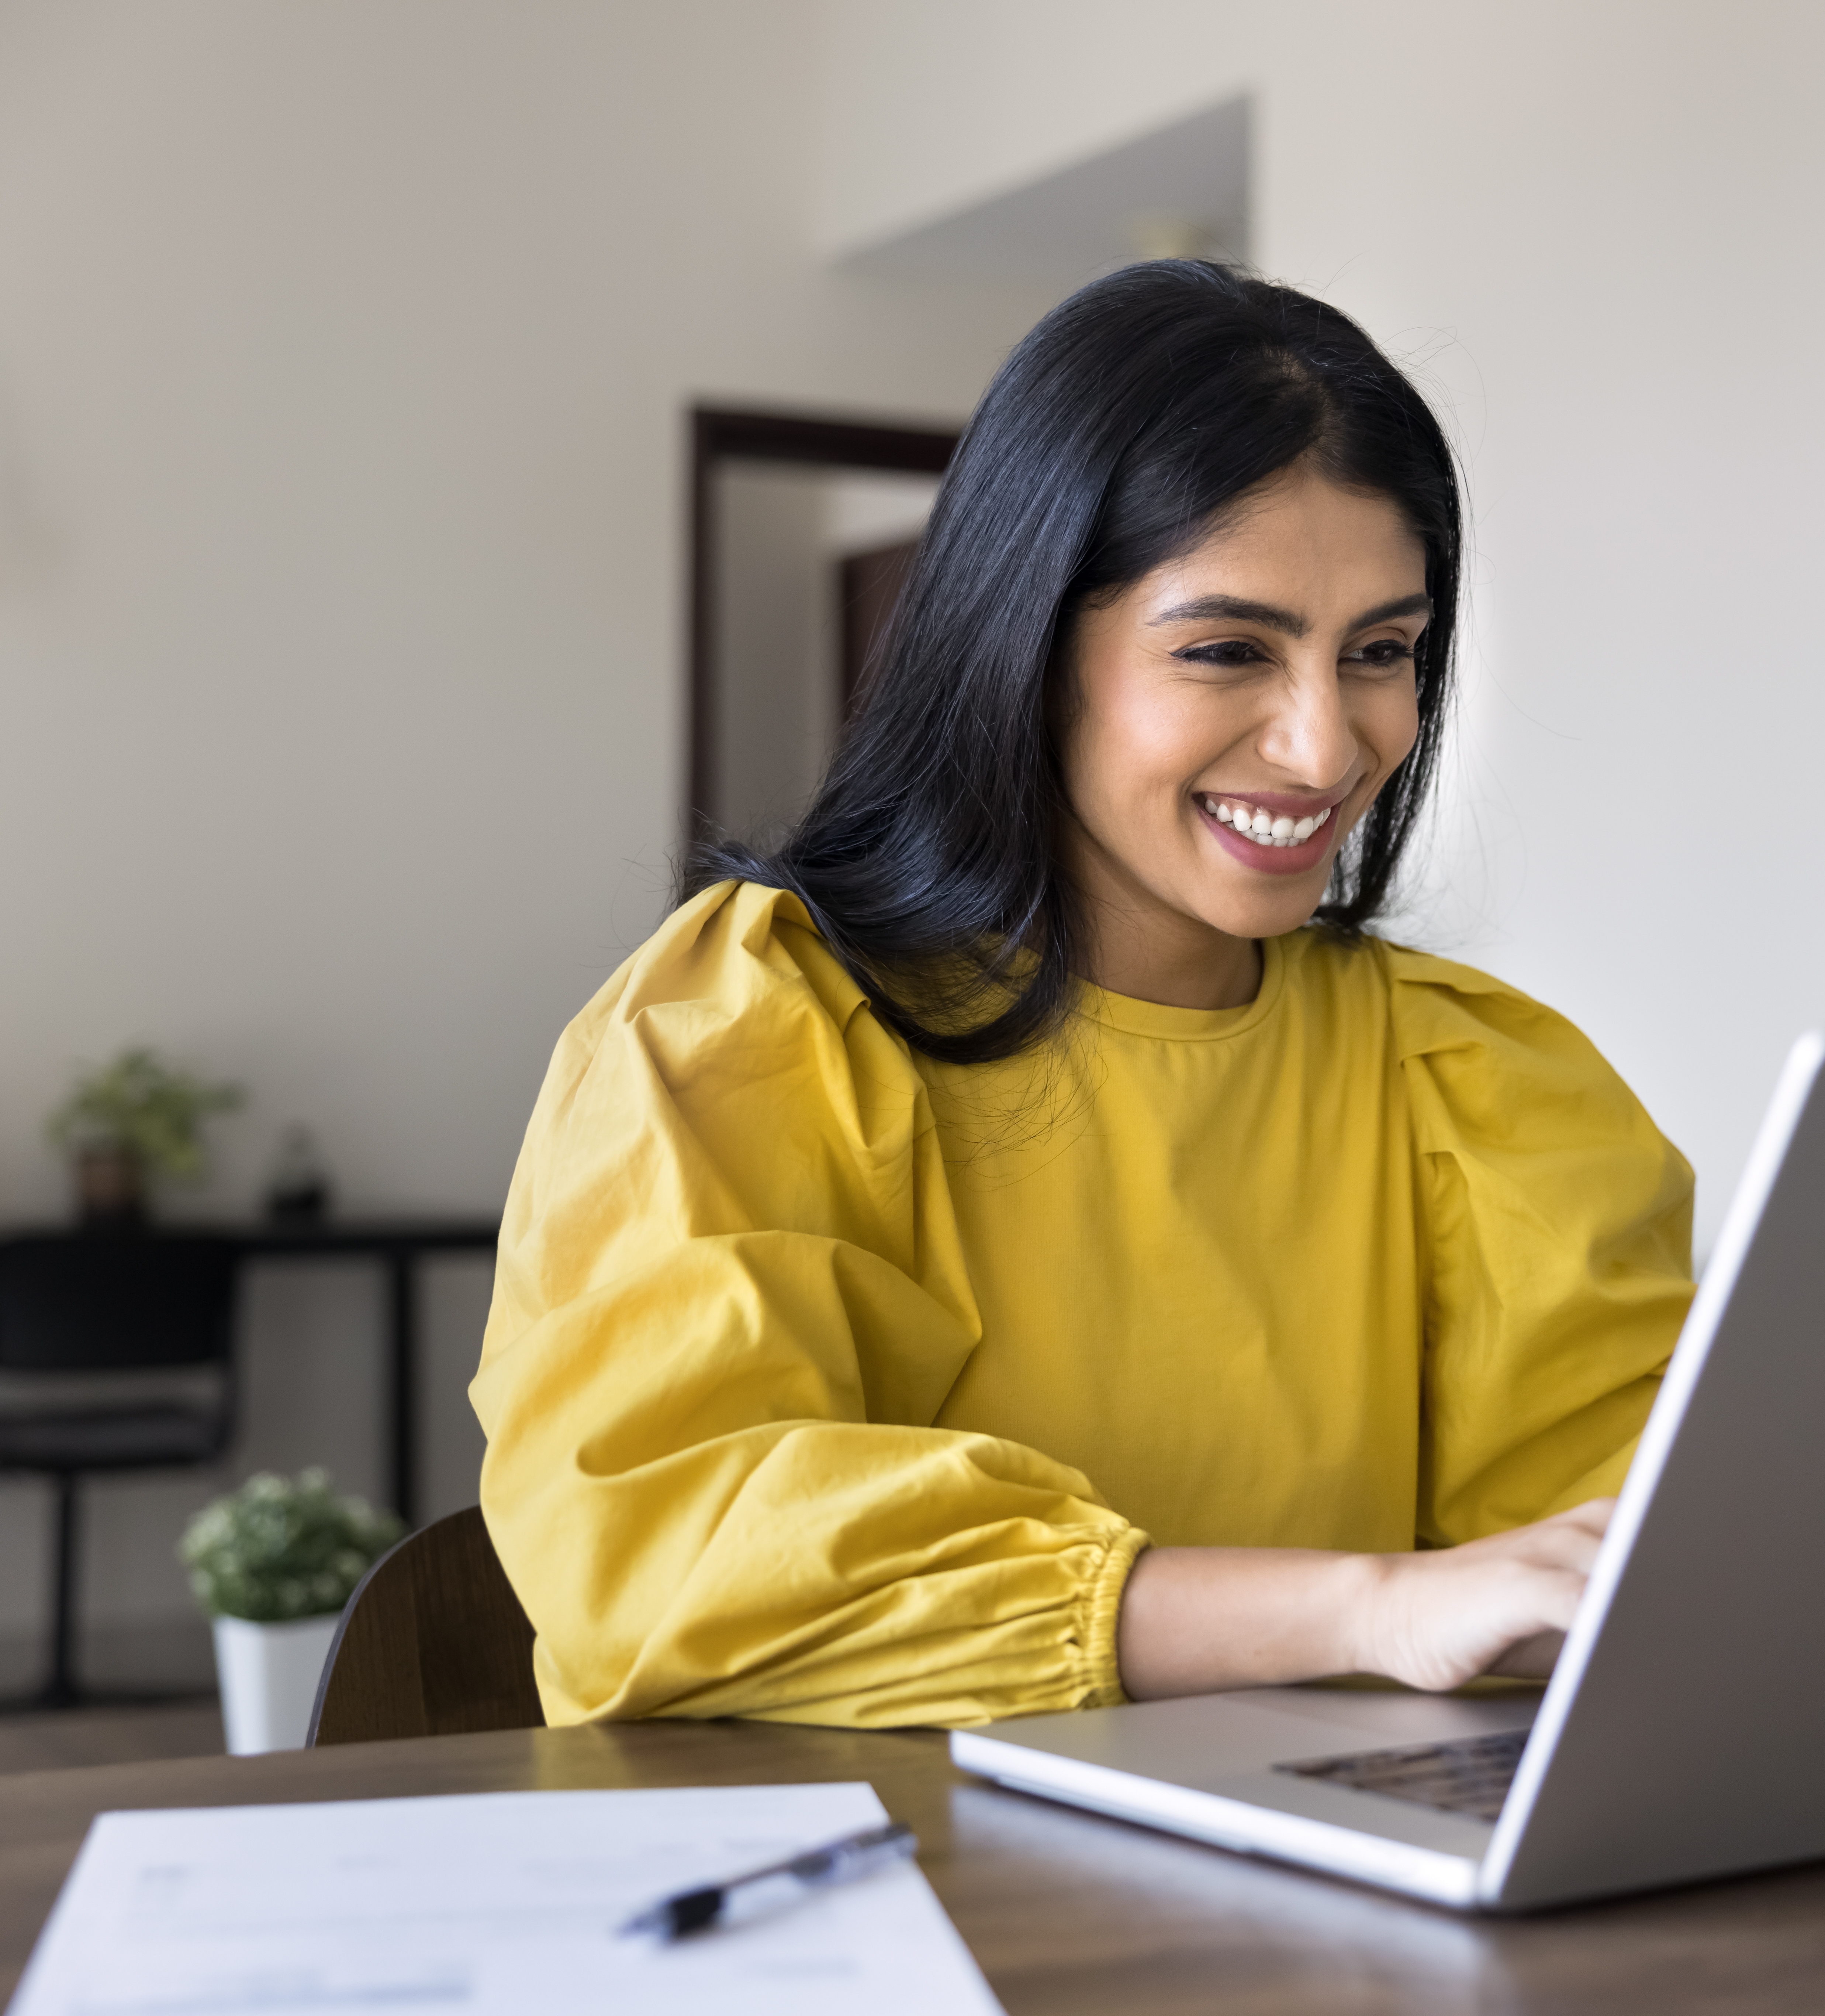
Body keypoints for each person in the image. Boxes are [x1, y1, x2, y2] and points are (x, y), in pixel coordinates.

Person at [471, 261, 1695, 1729]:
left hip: (1308, 1905)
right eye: (1225, 650)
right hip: (841, 1896)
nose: (1324, 748)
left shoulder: (1474, 1079)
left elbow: (1604, 1558)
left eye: (1379, 653)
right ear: (1027, 645)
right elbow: (678, 1559)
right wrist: (1363, 1604)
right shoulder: (750, 1027)